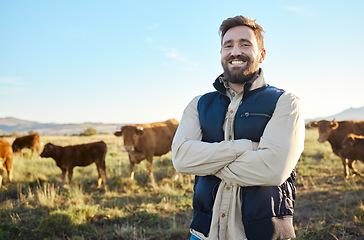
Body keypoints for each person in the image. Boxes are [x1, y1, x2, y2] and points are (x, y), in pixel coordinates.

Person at [171, 15, 305, 240]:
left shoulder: (285, 102)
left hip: (263, 234)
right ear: (221, 54)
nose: (235, 51)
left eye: (245, 44)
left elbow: (274, 169)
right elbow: (182, 159)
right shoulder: (198, 104)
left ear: (261, 55)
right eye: (228, 45)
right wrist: (246, 148)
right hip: (203, 234)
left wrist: (206, 163)